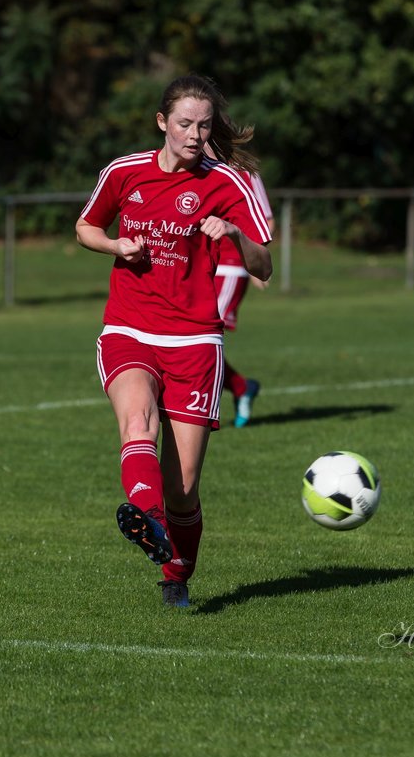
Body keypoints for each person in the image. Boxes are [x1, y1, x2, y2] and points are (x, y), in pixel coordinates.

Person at [76, 74, 273, 607]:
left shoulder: (226, 183)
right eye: (184, 123)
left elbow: (265, 266)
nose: (194, 134)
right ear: (162, 122)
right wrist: (117, 244)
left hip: (194, 340)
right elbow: (86, 228)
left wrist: (234, 235)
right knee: (137, 422)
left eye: (204, 125)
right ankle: (148, 520)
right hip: (129, 326)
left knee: (183, 486)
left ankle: (175, 573)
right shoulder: (124, 172)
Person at [213, 167, 274, 426]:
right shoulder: (193, 166)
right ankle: (241, 387)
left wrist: (253, 263)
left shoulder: (246, 172)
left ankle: (201, 409)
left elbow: (266, 220)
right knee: (187, 337)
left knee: (203, 336)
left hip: (228, 267)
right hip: (195, 267)